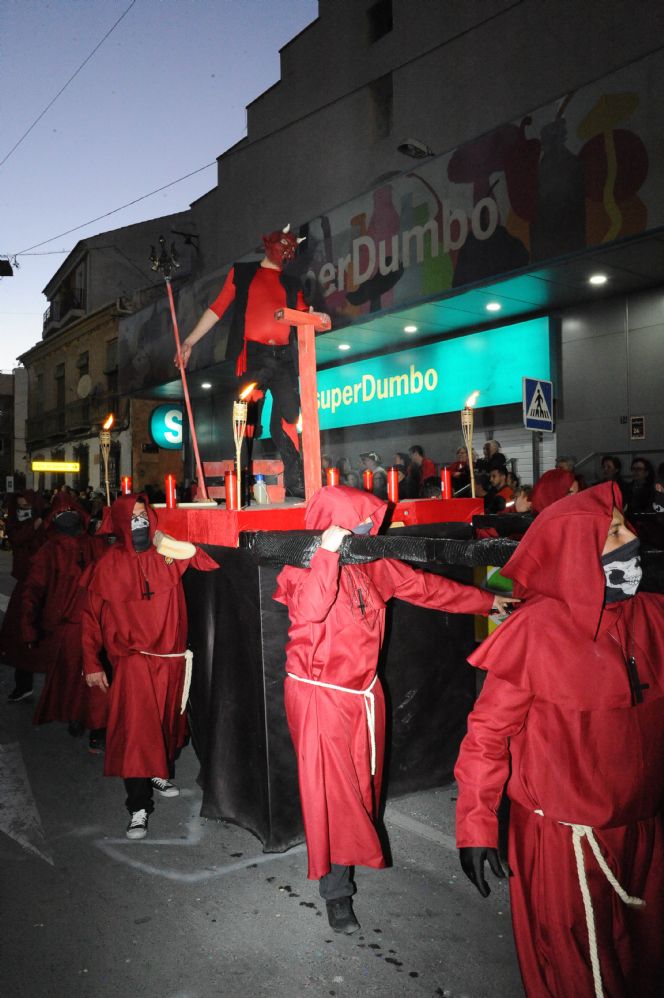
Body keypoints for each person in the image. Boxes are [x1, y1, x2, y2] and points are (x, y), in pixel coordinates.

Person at [273, 485, 516, 935]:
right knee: (334, 794)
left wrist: (487, 601)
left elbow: (426, 588)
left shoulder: (373, 563)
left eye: (371, 525)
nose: (369, 532)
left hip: (363, 694)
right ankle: (336, 891)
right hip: (319, 697)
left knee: (361, 787)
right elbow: (310, 609)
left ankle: (345, 862)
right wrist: (326, 554)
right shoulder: (302, 567)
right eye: (359, 526)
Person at [454, 482, 664, 996]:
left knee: (643, 957)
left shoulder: (654, 614)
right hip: (567, 839)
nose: (632, 556)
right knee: (576, 971)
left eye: (630, 540)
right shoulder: (535, 631)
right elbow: (486, 736)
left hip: (644, 828)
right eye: (617, 546)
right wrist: (477, 825)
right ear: (580, 556)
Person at [81, 493, 218, 839]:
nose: (140, 522)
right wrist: (91, 662)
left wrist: (171, 541)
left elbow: (206, 562)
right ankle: (138, 805)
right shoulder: (108, 564)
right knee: (137, 734)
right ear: (122, 523)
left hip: (171, 661)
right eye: (134, 517)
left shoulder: (166, 556)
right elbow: (90, 618)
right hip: (134, 662)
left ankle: (157, 771)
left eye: (146, 516)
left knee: (166, 726)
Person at [177, 225, 308, 496]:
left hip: (284, 359)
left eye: (289, 250)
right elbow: (217, 308)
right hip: (254, 356)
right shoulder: (243, 272)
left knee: (290, 416)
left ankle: (296, 482)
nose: (285, 254)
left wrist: (316, 320)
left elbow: (305, 317)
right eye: (282, 247)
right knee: (246, 417)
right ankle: (242, 483)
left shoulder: (292, 283)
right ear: (270, 243)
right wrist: (189, 341)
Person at [20, 493, 109, 750]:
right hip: (67, 628)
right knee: (76, 681)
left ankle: (94, 727)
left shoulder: (94, 545)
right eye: (62, 513)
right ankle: (83, 721)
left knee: (92, 681)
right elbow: (32, 591)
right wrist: (29, 628)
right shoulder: (50, 551)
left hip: (92, 624)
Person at [1, 490, 46, 702]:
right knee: (19, 636)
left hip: (45, 586)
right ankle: (23, 684)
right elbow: (17, 538)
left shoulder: (45, 525)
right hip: (24, 586)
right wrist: (33, 526)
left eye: (27, 508)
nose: (23, 512)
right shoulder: (18, 526)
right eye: (20, 508)